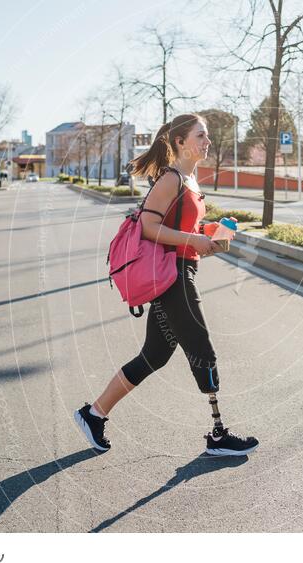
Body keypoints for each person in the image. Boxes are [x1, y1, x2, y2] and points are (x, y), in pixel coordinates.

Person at [74, 113, 259, 457]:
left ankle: (93, 413)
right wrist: (193, 238)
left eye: (207, 136)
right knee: (201, 347)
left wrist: (215, 238)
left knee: (154, 355)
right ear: (180, 142)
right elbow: (147, 227)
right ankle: (218, 435)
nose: (207, 142)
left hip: (181, 270)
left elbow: (183, 237)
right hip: (171, 277)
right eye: (201, 135)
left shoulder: (191, 182)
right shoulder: (171, 179)